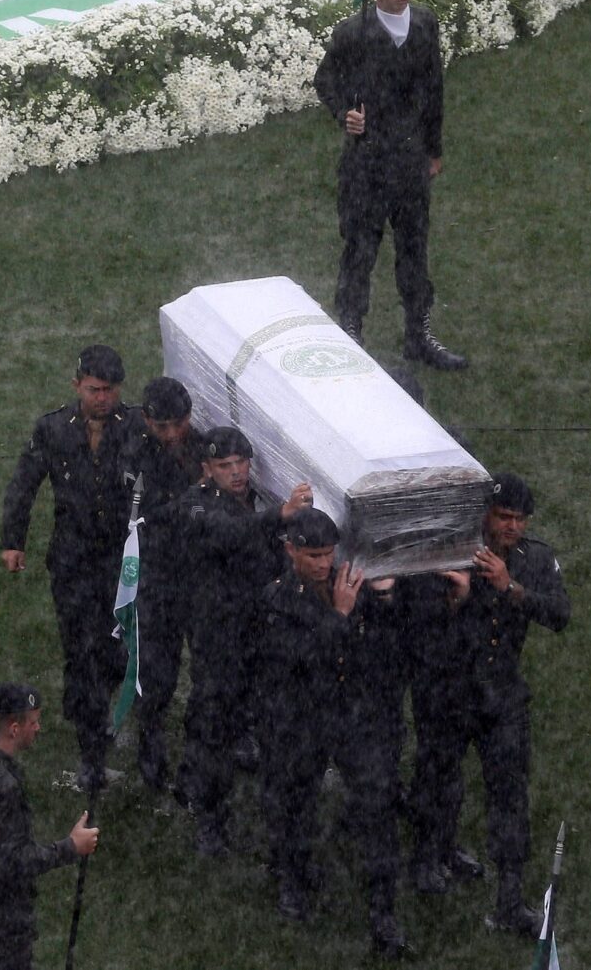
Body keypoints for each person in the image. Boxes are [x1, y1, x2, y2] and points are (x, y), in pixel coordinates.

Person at [406, 474, 568, 936]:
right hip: (449, 689)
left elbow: (560, 615)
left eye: (520, 519)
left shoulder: (535, 559)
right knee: (439, 778)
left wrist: (510, 587)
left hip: (501, 694)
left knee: (510, 796)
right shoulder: (450, 554)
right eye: (503, 517)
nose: (512, 527)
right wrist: (457, 601)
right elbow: (415, 624)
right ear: (485, 516)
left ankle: (509, 900)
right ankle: (432, 855)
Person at [257, 509, 409, 958]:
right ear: (291, 551)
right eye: (314, 556)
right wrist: (341, 616)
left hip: (350, 715)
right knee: (295, 803)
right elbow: (299, 658)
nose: (324, 564)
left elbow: (386, 643)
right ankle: (293, 881)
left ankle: (383, 912)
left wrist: (384, 599)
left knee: (378, 804)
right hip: (301, 718)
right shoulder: (277, 598)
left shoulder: (350, 583)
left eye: (328, 554)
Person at [0, 345, 147, 791]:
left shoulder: (137, 427)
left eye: (109, 390)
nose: (102, 399)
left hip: (121, 560)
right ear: (76, 385)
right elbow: (24, 483)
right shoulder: (52, 430)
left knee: (119, 647)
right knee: (81, 651)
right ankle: (90, 745)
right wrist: (13, 541)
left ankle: (108, 702)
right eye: (93, 390)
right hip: (73, 559)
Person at [314, 0, 465, 370]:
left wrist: (434, 150)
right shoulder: (353, 33)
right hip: (366, 164)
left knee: (414, 250)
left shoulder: (425, 24)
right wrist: (346, 113)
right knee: (360, 251)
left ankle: (418, 334)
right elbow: (325, 80)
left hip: (410, 161)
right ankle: (350, 333)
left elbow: (434, 90)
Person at [177, 426, 309, 856]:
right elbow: (227, 534)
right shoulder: (196, 505)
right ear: (207, 469)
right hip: (219, 634)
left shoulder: (261, 498)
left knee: (264, 716)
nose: (235, 472)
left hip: (261, 628)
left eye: (241, 463)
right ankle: (209, 817)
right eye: (224, 466)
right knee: (213, 723)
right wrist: (280, 515)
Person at [0, 683, 100, 970]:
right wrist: (71, 847)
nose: (38, 728)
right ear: (14, 729)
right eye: (34, 722)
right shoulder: (4, 787)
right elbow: (15, 861)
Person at [128, 376, 204, 793]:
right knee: (157, 669)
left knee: (213, 663)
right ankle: (150, 742)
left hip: (201, 574)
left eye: (180, 423)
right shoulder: (134, 456)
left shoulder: (203, 445)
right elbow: (148, 515)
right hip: (158, 575)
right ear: (146, 420)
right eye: (163, 426)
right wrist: (197, 497)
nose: (173, 434)